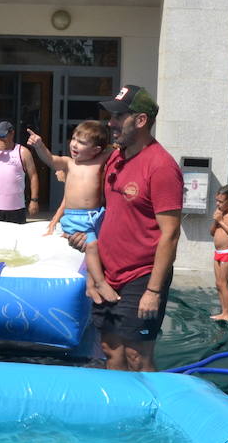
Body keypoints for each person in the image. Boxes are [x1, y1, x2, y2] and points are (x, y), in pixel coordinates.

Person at [74, 85, 182, 372]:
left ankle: (151, 413)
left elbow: (170, 233)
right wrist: (91, 272)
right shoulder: (115, 158)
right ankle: (120, 413)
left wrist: (154, 291)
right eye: (111, 115)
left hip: (141, 276)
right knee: (111, 350)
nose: (111, 123)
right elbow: (104, 216)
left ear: (141, 120)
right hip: (108, 273)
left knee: (138, 356)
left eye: (120, 116)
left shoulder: (161, 167)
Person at [26, 120, 113, 303]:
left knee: (96, 249)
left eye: (81, 142)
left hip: (94, 217)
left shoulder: (99, 161)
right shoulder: (68, 163)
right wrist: (40, 145)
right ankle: (96, 283)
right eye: (73, 138)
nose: (74, 144)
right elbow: (50, 159)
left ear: (96, 150)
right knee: (91, 247)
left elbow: (116, 149)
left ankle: (92, 283)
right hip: (73, 219)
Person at [0, 120, 40, 223]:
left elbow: (33, 176)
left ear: (12, 133)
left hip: (15, 208)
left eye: (3, 136)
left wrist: (34, 200)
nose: (0, 139)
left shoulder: (23, 152)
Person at [209, 185, 228, 322]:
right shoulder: (220, 213)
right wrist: (216, 221)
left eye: (221, 202)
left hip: (227, 252)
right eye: (217, 201)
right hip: (218, 252)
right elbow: (212, 233)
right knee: (218, 283)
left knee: (223, 284)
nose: (218, 204)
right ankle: (224, 311)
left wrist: (221, 221)